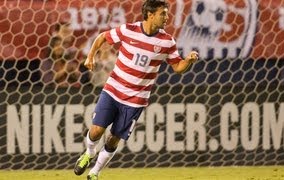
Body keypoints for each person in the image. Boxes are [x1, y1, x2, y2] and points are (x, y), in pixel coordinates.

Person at [74, 0, 199, 179]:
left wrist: (188, 61)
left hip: (136, 99)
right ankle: (89, 153)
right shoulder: (128, 30)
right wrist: (90, 57)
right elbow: (102, 37)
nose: (167, 17)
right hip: (113, 89)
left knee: (113, 138)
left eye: (167, 13)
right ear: (150, 14)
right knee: (96, 130)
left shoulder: (167, 41)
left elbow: (177, 67)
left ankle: (95, 172)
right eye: (163, 13)